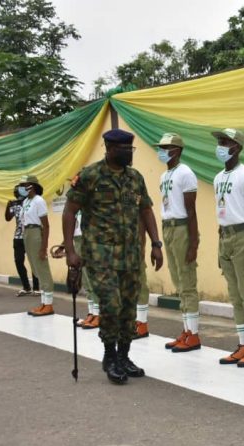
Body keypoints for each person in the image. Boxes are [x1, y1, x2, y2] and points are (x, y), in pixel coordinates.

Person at [63, 129, 164, 385]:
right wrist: (71, 251)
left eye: (131, 149)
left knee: (129, 306)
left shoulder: (135, 178)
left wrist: (156, 243)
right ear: (109, 149)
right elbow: (69, 212)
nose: (129, 153)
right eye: (124, 150)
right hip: (101, 254)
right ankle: (110, 356)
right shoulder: (90, 176)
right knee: (111, 304)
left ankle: (124, 356)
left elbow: (146, 210)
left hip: (130, 254)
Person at [212, 128, 244, 368]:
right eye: (220, 142)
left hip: (243, 236)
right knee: (235, 296)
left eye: (225, 142)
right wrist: (219, 247)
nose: (220, 146)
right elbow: (221, 214)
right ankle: (243, 344)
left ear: (238, 147)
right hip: (226, 236)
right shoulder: (218, 178)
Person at [152, 133, 202, 353]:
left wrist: (193, 243)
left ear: (178, 150)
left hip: (182, 227)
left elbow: (191, 210)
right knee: (179, 283)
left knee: (187, 282)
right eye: (161, 147)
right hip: (168, 227)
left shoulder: (186, 173)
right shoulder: (165, 175)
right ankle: (186, 330)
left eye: (166, 148)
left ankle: (194, 334)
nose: (161, 151)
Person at [19, 176, 54, 315]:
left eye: (24, 185)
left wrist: (43, 247)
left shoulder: (39, 201)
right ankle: (43, 303)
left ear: (32, 186)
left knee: (42, 268)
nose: (22, 188)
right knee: (36, 269)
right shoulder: (26, 201)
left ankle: (49, 305)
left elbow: (46, 225)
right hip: (27, 233)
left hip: (36, 232)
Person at [5, 185, 40, 297]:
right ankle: (26, 287)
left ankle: (36, 288)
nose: (17, 195)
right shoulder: (14, 204)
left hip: (31, 236)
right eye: (16, 193)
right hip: (18, 237)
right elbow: (8, 218)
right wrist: (8, 206)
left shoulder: (33, 203)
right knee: (18, 261)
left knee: (34, 262)